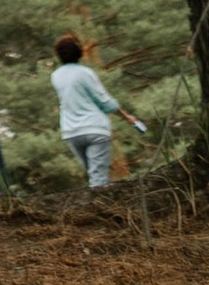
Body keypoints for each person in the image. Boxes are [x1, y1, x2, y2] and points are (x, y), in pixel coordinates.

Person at [50, 35, 141, 191]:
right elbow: (104, 101)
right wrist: (126, 117)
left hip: (72, 132)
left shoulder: (56, 76)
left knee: (94, 175)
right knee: (98, 178)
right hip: (95, 129)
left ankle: (98, 207)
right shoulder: (85, 73)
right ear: (79, 52)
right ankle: (101, 210)